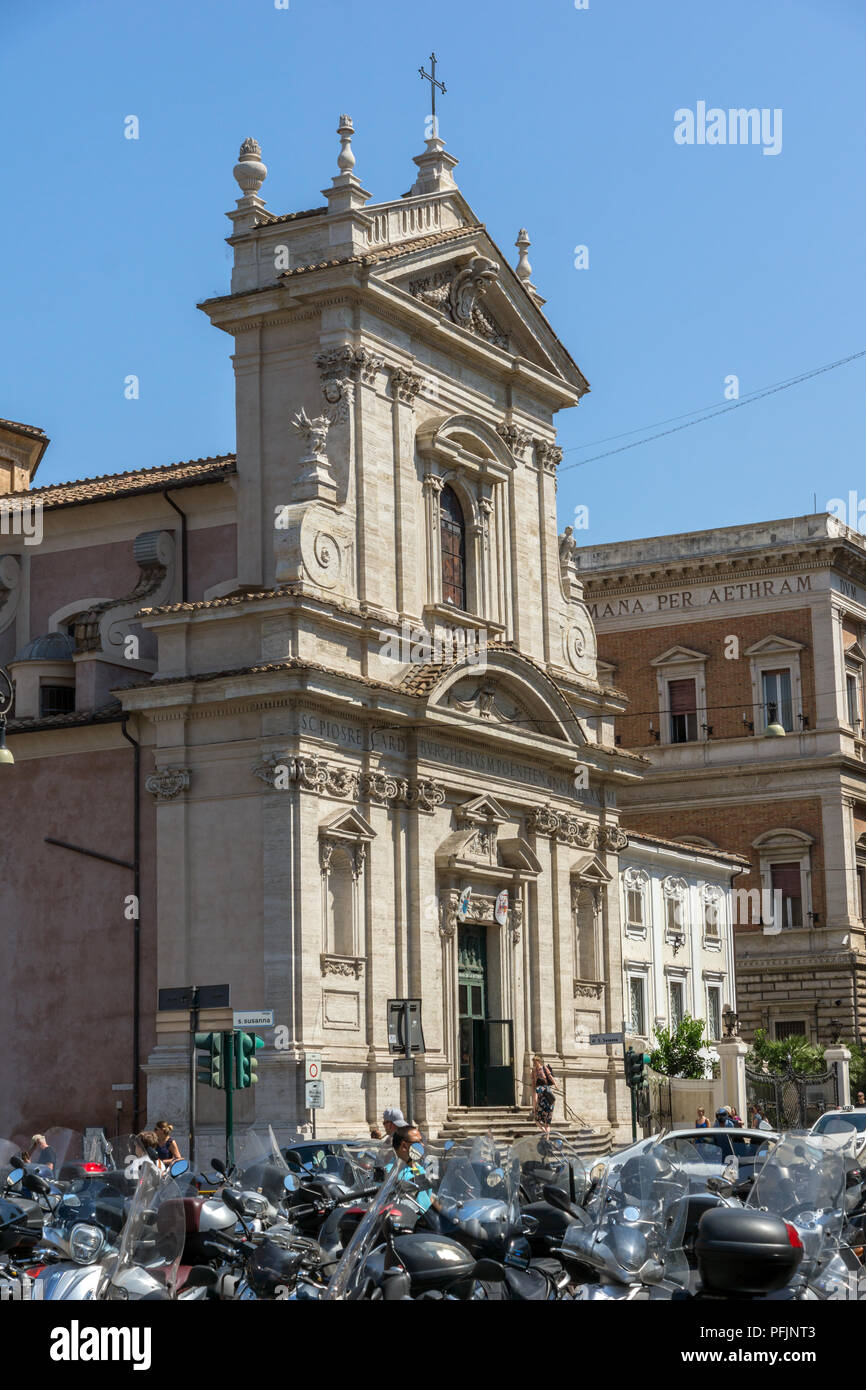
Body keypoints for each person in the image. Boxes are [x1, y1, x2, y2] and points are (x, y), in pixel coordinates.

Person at [392, 1126, 440, 1215]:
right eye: (418, 1142)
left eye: (422, 1141)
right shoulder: (391, 1172)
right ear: (404, 1146)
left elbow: (429, 1197)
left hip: (429, 1223)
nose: (422, 1145)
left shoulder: (418, 1168)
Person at [531, 1055, 559, 1138]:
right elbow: (533, 1082)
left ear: (539, 1061)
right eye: (533, 1062)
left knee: (538, 1120)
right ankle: (547, 1137)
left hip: (543, 1100)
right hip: (548, 1101)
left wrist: (534, 1109)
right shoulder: (533, 1071)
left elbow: (550, 1076)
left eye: (535, 1062)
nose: (534, 1064)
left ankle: (546, 1135)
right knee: (547, 1123)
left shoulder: (543, 1069)